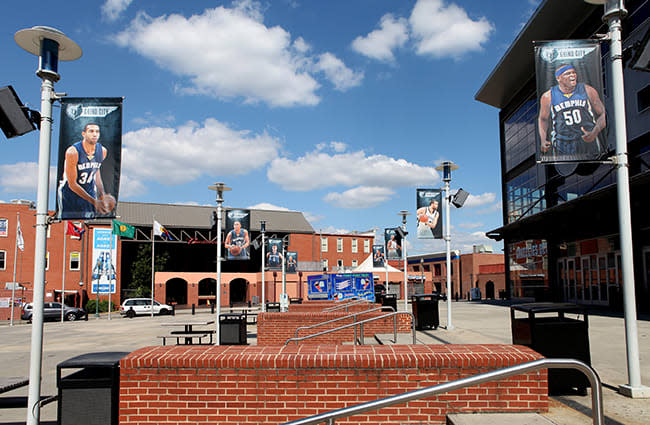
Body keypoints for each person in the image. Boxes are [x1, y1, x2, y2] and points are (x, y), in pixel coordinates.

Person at [538, 64, 606, 159]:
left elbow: (603, 114)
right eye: (568, 73)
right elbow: (543, 119)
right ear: (558, 78)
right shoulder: (548, 96)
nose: (572, 75)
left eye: (574, 72)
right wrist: (543, 140)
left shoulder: (587, 90)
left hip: (587, 139)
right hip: (563, 142)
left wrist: (595, 131)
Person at [58, 123, 112, 219]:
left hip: (89, 191)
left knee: (88, 222)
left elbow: (96, 171)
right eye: (91, 131)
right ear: (84, 134)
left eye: (97, 131)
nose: (95, 134)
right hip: (71, 194)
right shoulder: (73, 152)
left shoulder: (102, 151)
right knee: (68, 222)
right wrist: (94, 202)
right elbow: (72, 184)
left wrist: (103, 193)